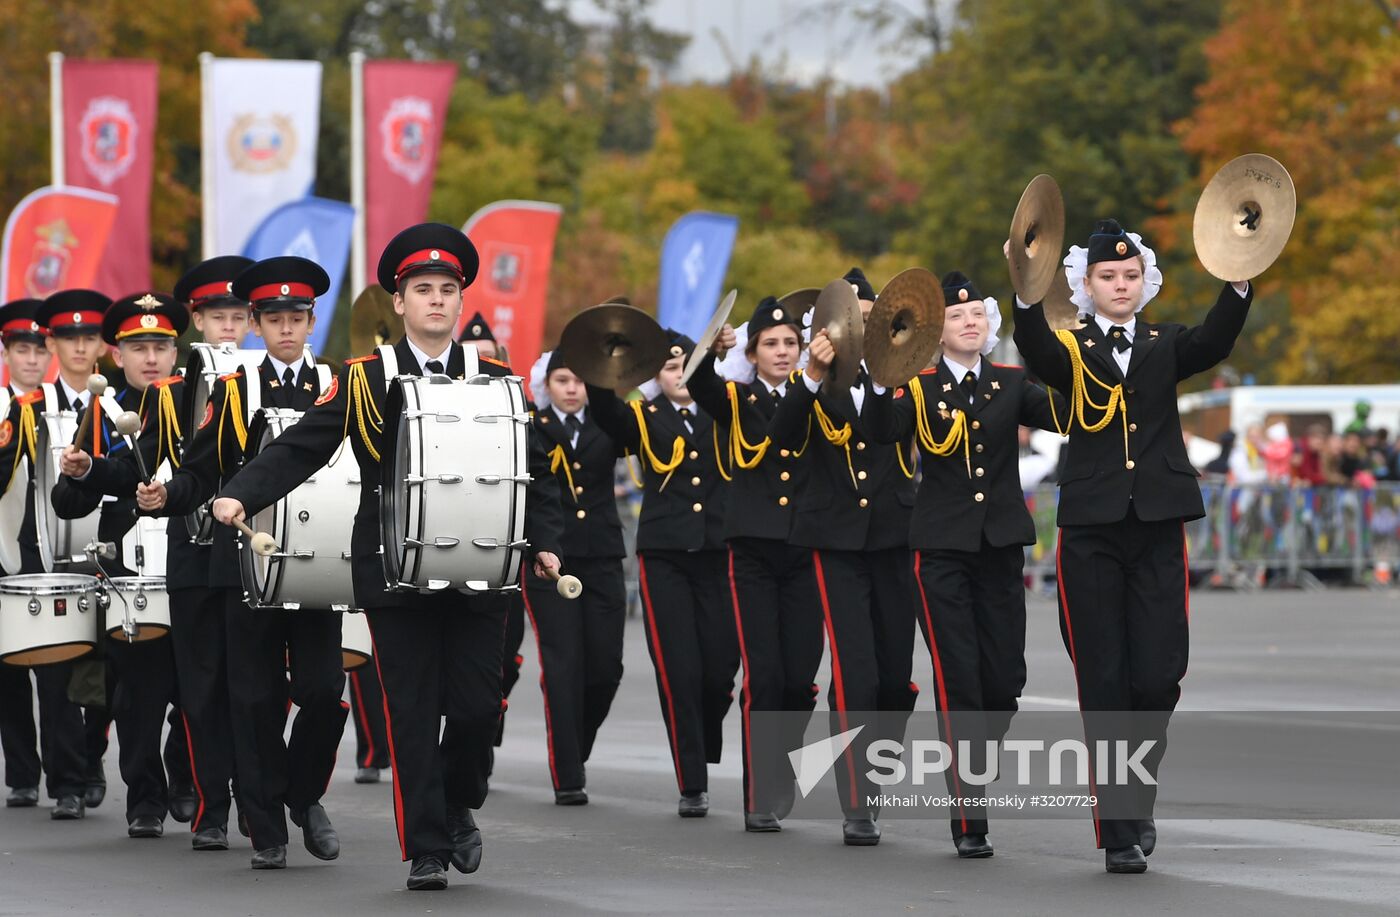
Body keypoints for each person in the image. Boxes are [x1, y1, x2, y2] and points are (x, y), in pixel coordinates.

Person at [209, 224, 564, 891]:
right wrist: (240, 494)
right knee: (411, 711)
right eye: (422, 289)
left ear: (461, 300)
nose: (436, 299)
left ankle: (458, 799)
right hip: (393, 568)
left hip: (483, 568)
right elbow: (301, 446)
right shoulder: (364, 379)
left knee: (476, 710)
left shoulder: (498, 380)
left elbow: (536, 471)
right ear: (399, 302)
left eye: (447, 289)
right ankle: (426, 848)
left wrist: (545, 542)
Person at [1011, 219, 1254, 873]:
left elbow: (1214, 339)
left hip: (1156, 524)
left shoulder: (1164, 342)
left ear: (1145, 282)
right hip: (1091, 529)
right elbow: (1035, 348)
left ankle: (1136, 794)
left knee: (1157, 676)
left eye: (1130, 275)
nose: (1121, 284)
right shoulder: (1071, 347)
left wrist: (1237, 282)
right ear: (1086, 285)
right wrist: (1025, 291)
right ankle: (1118, 830)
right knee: (1105, 680)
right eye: (1107, 276)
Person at [133, 257, 345, 869]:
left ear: (312, 322)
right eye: (274, 318)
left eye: (297, 317)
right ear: (256, 325)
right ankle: (267, 828)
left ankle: (302, 793)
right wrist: (167, 496)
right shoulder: (234, 390)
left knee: (322, 690)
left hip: (317, 564)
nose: (287, 328)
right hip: (244, 566)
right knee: (253, 700)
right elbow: (200, 471)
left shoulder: (338, 387)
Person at [867, 269, 1063, 858]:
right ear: (937, 330)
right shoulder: (916, 386)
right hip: (940, 548)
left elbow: (1067, 415)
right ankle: (968, 814)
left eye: (977, 312)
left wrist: (1073, 359)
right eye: (957, 315)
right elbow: (881, 430)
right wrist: (879, 373)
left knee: (1004, 681)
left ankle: (977, 755)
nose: (970, 321)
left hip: (999, 546)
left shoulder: (1011, 382)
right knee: (958, 678)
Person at [766, 267, 918, 846]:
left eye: (869, 317)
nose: (859, 326)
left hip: (894, 537)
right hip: (834, 541)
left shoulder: (901, 380)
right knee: (857, 673)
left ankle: (873, 773)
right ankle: (858, 802)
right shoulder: (810, 384)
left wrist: (881, 373)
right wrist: (810, 374)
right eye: (850, 318)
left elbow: (887, 432)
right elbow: (781, 438)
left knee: (896, 681)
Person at [584, 329, 738, 818]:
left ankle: (704, 738)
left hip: (717, 552)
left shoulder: (724, 409)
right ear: (656, 376)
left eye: (688, 366)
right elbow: (607, 415)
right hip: (665, 554)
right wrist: (604, 368)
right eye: (672, 368)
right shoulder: (644, 416)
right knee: (679, 671)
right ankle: (692, 781)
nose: (681, 376)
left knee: (720, 670)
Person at [52, 292, 188, 838]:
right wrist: (81, 471)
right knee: (137, 690)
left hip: (188, 553)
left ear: (175, 351)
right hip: (127, 563)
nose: (150, 358)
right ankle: (145, 798)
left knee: (197, 681)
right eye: (138, 348)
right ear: (117, 355)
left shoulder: (196, 400)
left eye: (160, 346)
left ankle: (185, 773)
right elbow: (67, 502)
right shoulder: (101, 410)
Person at [686, 296, 821, 832]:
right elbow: (699, 384)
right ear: (752, 352)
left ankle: (783, 762)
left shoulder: (816, 393)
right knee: (765, 675)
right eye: (770, 344)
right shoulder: (736, 398)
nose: (782, 352)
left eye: (790, 343)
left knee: (800, 681)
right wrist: (711, 349)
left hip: (806, 548)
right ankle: (759, 794)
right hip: (752, 552)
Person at [523, 349, 629, 806]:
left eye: (579, 380)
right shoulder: (533, 427)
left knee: (606, 667)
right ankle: (568, 773)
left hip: (603, 554)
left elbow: (632, 435)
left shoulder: (607, 421)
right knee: (563, 665)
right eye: (562, 380)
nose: (571, 388)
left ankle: (576, 745)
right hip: (553, 560)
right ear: (546, 385)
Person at [0, 298, 88, 819]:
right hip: (4, 546)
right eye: (21, 349)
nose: (32, 359)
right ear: (6, 353)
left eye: (39, 350)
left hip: (52, 550)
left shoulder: (59, 408)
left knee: (57, 670)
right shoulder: (4, 410)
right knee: (7, 674)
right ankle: (21, 776)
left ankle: (69, 782)